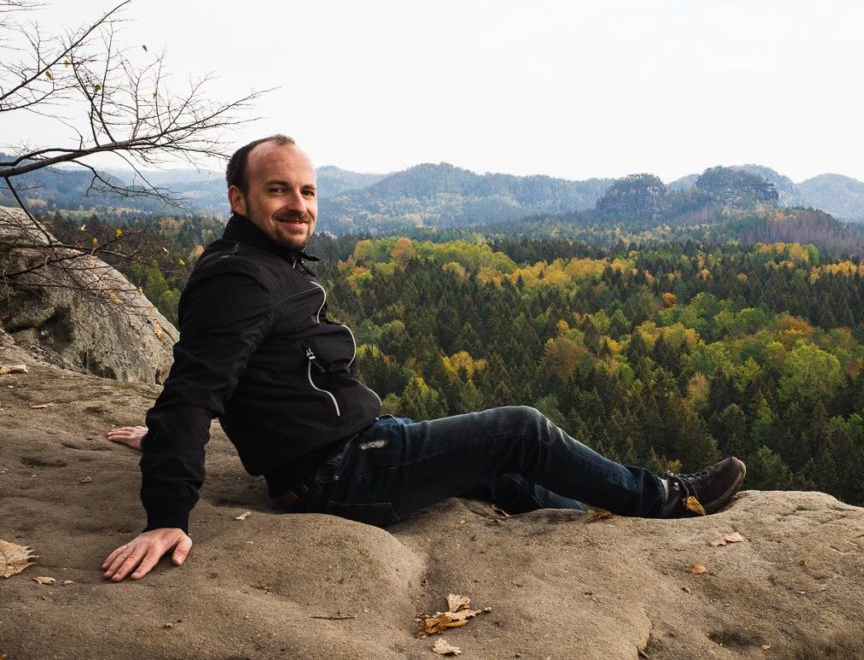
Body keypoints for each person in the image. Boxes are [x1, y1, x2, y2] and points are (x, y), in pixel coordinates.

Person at [101, 135, 746, 583]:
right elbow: (197, 388)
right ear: (239, 199)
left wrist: (161, 434)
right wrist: (166, 513)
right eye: (278, 190)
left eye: (307, 191)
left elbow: (230, 381)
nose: (299, 205)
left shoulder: (265, 264)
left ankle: (615, 522)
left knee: (509, 479)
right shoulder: (240, 278)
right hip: (338, 474)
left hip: (361, 445)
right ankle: (661, 497)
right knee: (520, 427)